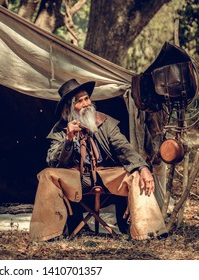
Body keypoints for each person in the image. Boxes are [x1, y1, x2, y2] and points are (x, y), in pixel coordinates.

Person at [29, 79, 167, 241]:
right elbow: (53, 162)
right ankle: (46, 235)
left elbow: (124, 149)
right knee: (47, 174)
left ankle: (148, 232)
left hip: (105, 175)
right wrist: (68, 139)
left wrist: (143, 168)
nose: (86, 103)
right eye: (79, 101)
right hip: (75, 178)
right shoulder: (60, 130)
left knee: (137, 174)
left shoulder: (105, 123)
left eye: (87, 98)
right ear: (69, 108)